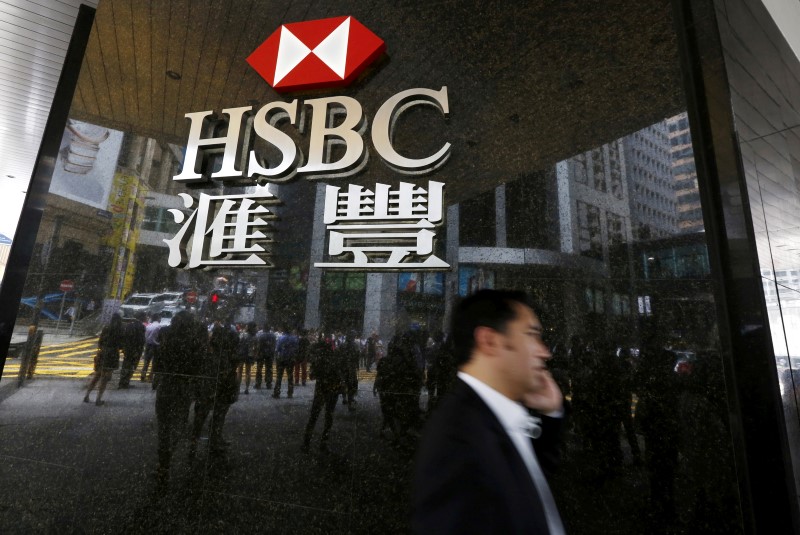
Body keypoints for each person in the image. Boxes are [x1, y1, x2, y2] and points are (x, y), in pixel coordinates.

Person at [413, 289, 566, 535]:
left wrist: (550, 416)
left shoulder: (493, 414)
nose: (544, 351)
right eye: (531, 335)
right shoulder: (456, 439)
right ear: (490, 341)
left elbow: (526, 481)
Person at [154, 311, 206, 486]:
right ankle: (168, 456)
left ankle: (163, 461)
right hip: (183, 387)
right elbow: (198, 366)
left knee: (163, 425)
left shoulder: (166, 339)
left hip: (165, 384)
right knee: (179, 423)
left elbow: (158, 363)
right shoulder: (194, 342)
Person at [192, 315, 239, 460]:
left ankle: (196, 442)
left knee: (202, 417)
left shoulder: (208, 352)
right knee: (217, 416)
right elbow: (227, 372)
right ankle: (213, 441)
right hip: (218, 390)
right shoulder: (223, 355)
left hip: (208, 390)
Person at [302, 332, 345, 452]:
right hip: (333, 390)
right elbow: (341, 375)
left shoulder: (319, 359)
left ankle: (306, 442)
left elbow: (312, 376)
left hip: (321, 389)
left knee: (314, 416)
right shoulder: (337, 357)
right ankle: (323, 443)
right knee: (329, 416)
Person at [84, 313, 125, 406]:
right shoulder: (120, 330)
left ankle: (87, 395)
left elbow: (100, 341)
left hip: (102, 353)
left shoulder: (106, 328)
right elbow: (121, 345)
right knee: (105, 378)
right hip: (112, 354)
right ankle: (98, 399)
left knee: (97, 375)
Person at [119, 313, 146, 388]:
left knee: (126, 365)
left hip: (128, 349)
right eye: (145, 316)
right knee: (132, 366)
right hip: (136, 350)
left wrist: (125, 347)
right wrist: (139, 350)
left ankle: (122, 381)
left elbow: (125, 337)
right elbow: (141, 340)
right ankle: (126, 382)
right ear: (142, 317)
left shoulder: (129, 325)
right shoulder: (141, 326)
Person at [273, 327, 299, 399]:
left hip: (282, 359)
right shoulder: (294, 339)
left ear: (284, 331)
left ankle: (277, 393)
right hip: (290, 359)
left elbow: (277, 349)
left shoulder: (281, 338)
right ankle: (290, 393)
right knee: (290, 376)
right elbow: (296, 349)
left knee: (279, 376)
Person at [140, 314, 161, 383]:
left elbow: (145, 336)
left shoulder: (148, 326)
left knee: (146, 361)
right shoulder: (159, 327)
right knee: (155, 361)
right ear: (158, 318)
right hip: (156, 346)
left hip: (148, 345)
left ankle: (143, 374)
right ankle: (150, 376)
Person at [255, 324, 276, 389]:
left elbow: (259, 346)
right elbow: (274, 345)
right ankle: (268, 383)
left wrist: (257, 354)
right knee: (269, 369)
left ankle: (258, 383)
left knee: (259, 369)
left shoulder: (260, 336)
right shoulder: (273, 336)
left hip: (261, 354)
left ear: (263, 328)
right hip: (270, 354)